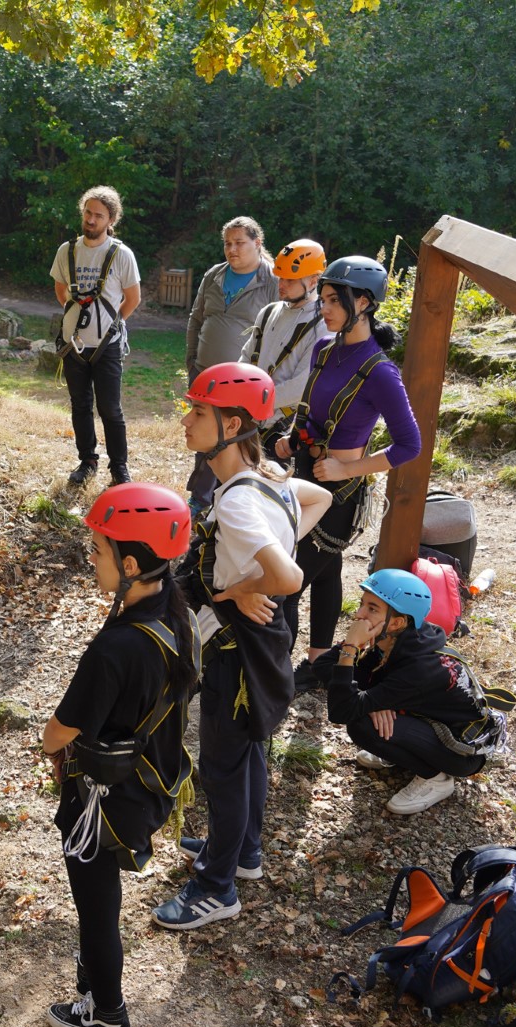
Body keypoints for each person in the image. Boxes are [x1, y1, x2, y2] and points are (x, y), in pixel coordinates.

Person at [152, 363, 330, 931]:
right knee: (250, 747)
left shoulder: (234, 501)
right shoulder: (271, 480)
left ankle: (216, 885)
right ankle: (244, 849)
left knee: (223, 766)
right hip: (265, 642)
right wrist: (274, 543)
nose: (187, 420)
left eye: (199, 412)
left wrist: (240, 587)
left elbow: (290, 579)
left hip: (234, 646)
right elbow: (320, 497)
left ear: (232, 423)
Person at [42, 482, 196, 1027]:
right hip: (154, 780)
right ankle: (94, 987)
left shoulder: (116, 649)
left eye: (99, 550)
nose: (91, 557)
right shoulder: (177, 617)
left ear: (131, 563)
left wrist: (48, 742)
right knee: (100, 900)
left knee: (97, 905)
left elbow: (58, 732)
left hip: (106, 804)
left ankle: (107, 1013)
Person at [270, 256, 421, 695]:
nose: (325, 308)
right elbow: (315, 415)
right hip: (304, 474)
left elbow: (409, 445)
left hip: (340, 493)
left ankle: (275, 676)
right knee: (327, 570)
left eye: (335, 300)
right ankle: (318, 662)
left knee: (290, 581)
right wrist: (290, 438)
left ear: (365, 303)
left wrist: (347, 468)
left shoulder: (381, 372)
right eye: (323, 298)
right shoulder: (324, 349)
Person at [311, 569, 512, 815]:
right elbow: (321, 668)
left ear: (397, 622)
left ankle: (435, 778)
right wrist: (374, 694)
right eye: (363, 604)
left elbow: (342, 710)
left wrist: (352, 647)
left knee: (362, 725)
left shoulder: (419, 668)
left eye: (372, 609)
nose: (359, 614)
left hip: (461, 751)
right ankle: (403, 752)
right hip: (428, 720)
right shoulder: (395, 640)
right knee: (366, 708)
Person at [184, 217, 277, 515]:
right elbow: (196, 319)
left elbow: (278, 331)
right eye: (228, 243)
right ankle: (200, 499)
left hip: (243, 384)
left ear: (257, 243)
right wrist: (191, 360)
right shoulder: (214, 275)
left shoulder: (272, 280)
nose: (232, 249)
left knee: (235, 439)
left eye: (239, 243)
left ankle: (238, 499)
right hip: (204, 374)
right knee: (204, 433)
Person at [50, 186, 142, 487]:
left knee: (110, 409)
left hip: (108, 346)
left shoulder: (121, 255)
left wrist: (111, 325)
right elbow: (61, 289)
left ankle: (119, 468)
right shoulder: (67, 251)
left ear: (110, 219)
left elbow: (133, 298)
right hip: (73, 345)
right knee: (80, 404)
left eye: (98, 215)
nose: (91, 219)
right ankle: (87, 461)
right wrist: (74, 317)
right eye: (88, 213)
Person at [240, 238, 326, 446]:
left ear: (313, 281)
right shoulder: (269, 312)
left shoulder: (321, 325)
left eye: (290, 280)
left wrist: (255, 401)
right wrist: (240, 392)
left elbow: (302, 386)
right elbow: (245, 357)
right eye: (280, 278)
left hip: (282, 430)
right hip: (248, 420)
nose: (282, 285)